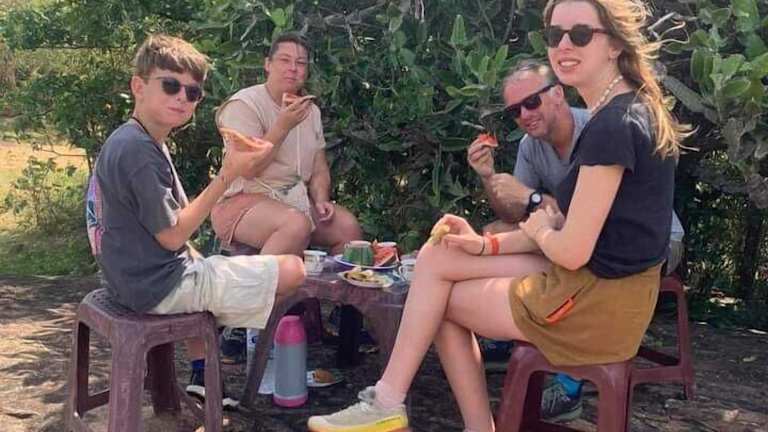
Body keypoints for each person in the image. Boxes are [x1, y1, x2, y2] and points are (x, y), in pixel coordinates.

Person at [306, 0, 689, 429]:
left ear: (614, 44)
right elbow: (570, 227)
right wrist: (484, 244)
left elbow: (570, 248)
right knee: (440, 255)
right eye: (554, 35)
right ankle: (389, 401)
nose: (563, 45)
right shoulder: (624, 110)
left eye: (580, 35)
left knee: (439, 305)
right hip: (598, 283)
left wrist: (540, 226)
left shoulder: (611, 126)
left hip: (599, 303)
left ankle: (416, 410)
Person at [86, 34, 306, 408]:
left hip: (129, 280)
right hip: (156, 287)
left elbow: (168, 235)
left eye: (192, 92)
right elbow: (173, 236)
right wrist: (228, 173)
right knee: (294, 271)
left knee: (202, 261)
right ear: (138, 86)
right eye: (170, 85)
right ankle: (227, 335)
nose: (182, 98)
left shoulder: (134, 139)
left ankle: (204, 374)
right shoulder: (139, 151)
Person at [467, 59, 685, 422]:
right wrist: (489, 177)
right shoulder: (530, 146)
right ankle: (512, 335)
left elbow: (586, 220)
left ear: (557, 94)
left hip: (648, 247)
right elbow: (516, 215)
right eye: (514, 111)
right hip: (583, 240)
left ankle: (569, 382)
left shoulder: (600, 128)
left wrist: (533, 200)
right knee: (495, 230)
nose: (524, 115)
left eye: (531, 102)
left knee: (558, 254)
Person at [211, 32, 362, 257]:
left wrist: (321, 200)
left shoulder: (311, 111)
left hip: (294, 200)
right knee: (295, 225)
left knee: (347, 227)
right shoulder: (243, 105)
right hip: (241, 201)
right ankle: (261, 280)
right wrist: (282, 126)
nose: (293, 68)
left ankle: (328, 282)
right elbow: (249, 169)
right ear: (268, 64)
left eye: (300, 63)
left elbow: (319, 168)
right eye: (284, 60)